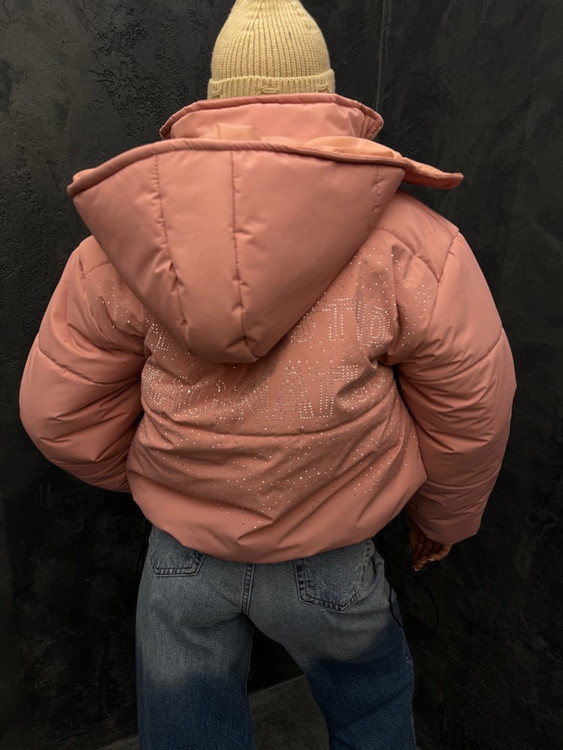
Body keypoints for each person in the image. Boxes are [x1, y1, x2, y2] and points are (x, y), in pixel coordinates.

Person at [19, 0, 516, 748]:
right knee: (373, 716)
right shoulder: (415, 242)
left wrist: (166, 476)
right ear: (324, 94)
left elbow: (55, 410)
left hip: (184, 558)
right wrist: (442, 518)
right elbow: (471, 405)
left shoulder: (118, 248)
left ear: (217, 99)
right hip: (333, 557)